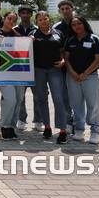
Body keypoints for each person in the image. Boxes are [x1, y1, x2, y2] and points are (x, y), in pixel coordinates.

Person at [30, 11, 68, 144]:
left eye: (45, 19)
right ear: (37, 21)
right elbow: (27, 53)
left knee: (58, 99)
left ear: (49, 19)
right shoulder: (33, 35)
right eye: (40, 20)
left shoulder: (58, 33)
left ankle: (63, 131)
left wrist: (63, 61)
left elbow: (61, 51)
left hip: (54, 70)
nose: (43, 21)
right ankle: (47, 127)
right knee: (41, 99)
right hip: (39, 70)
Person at [64, 16, 99, 144]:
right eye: (74, 25)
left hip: (90, 77)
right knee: (76, 104)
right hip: (73, 77)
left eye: (79, 24)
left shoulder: (94, 39)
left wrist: (85, 74)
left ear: (84, 24)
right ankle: (79, 129)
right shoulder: (70, 40)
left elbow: (98, 59)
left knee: (93, 104)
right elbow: (67, 58)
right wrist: (72, 72)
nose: (77, 27)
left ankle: (95, 131)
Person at [0, 11, 24, 140]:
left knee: (19, 100)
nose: (11, 22)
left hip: (18, 72)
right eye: (9, 19)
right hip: (2, 72)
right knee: (10, 98)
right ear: (4, 19)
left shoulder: (18, 36)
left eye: (14, 20)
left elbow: (23, 54)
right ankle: (4, 125)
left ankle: (11, 127)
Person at [14, 5, 40, 131]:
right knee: (20, 96)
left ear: (31, 15)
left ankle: (39, 120)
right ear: (19, 15)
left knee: (38, 95)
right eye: (23, 13)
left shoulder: (37, 30)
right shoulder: (13, 30)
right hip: (19, 67)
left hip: (35, 67)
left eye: (27, 13)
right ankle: (21, 119)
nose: (25, 15)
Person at [52, 0, 76, 131]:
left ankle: (79, 123)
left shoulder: (78, 23)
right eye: (63, 9)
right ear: (60, 11)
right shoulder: (56, 28)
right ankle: (69, 122)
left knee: (78, 96)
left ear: (72, 9)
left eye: (67, 8)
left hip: (78, 66)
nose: (65, 11)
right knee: (64, 96)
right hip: (62, 68)